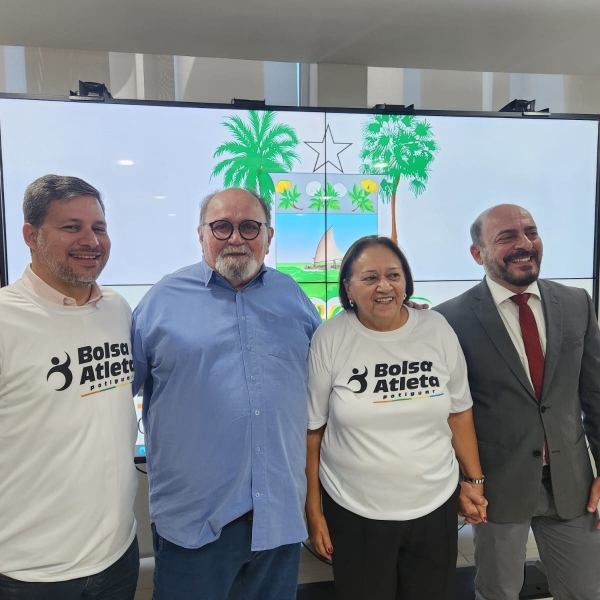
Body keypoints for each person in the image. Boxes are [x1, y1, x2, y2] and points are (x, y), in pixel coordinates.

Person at [131, 187, 322, 600]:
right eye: (222, 226)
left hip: (279, 518)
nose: (236, 237)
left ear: (268, 237)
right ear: (201, 235)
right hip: (194, 526)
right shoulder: (160, 303)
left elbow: (337, 364)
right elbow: (114, 391)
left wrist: (396, 319)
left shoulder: (294, 298)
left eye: (249, 226)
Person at [305, 235, 487, 600]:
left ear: (406, 282)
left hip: (435, 505)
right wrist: (313, 510)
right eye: (370, 278)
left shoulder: (435, 329)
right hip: (355, 509)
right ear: (349, 288)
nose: (384, 285)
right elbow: (313, 431)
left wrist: (474, 480)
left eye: (394, 274)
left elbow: (459, 412)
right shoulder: (330, 338)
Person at [435, 204, 600, 600]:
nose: (524, 244)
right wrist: (461, 482)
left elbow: (594, 394)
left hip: (572, 484)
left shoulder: (577, 302)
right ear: (478, 254)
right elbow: (447, 413)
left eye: (531, 232)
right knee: (498, 592)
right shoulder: (449, 319)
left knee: (585, 591)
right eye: (507, 236)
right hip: (497, 488)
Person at [0, 175, 139, 599]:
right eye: (71, 227)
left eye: (99, 227)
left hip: (117, 557)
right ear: (30, 235)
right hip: (29, 574)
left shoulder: (116, 309)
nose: (91, 241)